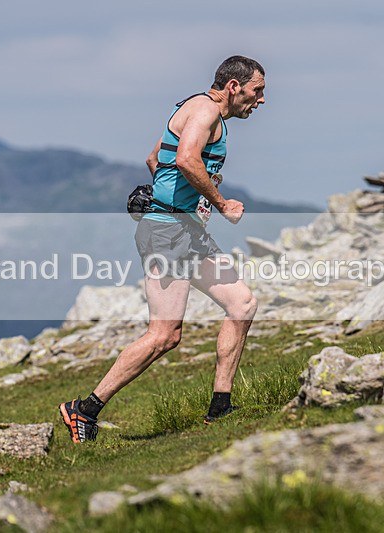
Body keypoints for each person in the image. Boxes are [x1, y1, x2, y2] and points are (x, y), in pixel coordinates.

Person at [59, 55, 265, 443]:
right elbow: (186, 160)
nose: (261, 100)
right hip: (167, 235)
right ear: (234, 87)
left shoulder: (197, 109)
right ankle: (83, 410)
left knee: (242, 304)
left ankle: (220, 407)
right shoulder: (204, 112)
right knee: (164, 335)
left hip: (184, 230)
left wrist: (172, 199)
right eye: (258, 91)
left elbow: (157, 158)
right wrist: (220, 204)